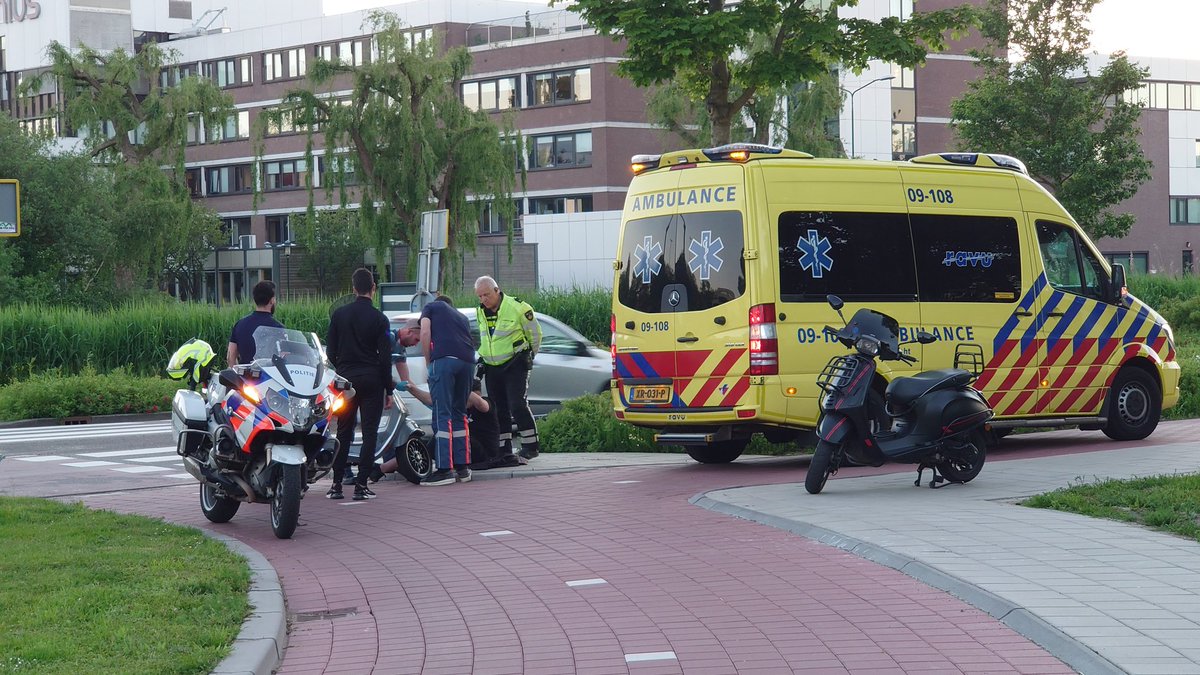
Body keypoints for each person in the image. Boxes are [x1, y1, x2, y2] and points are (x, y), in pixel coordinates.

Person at [326, 268, 394, 501]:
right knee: (369, 432)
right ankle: (361, 484)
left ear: (353, 288)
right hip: (373, 380)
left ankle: (336, 484)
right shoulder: (380, 319)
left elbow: (330, 351)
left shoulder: (339, 315)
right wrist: (389, 389)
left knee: (343, 432)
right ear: (373, 288)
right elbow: (386, 358)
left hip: (346, 382)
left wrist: (343, 367)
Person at [474, 275, 542, 460]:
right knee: (498, 409)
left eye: (486, 295)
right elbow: (487, 338)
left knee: (517, 404)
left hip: (515, 364)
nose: (483, 300)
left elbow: (535, 335)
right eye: (479, 296)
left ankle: (531, 446)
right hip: (492, 366)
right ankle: (503, 448)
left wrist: (528, 356)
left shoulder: (518, 308)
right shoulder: (480, 311)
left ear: (497, 290)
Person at [413, 294, 475, 486]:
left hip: (444, 362)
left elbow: (424, 333)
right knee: (459, 413)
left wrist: (428, 361)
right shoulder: (461, 317)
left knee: (442, 414)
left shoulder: (431, 307)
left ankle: (444, 469)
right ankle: (463, 468)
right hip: (467, 363)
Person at [227, 280, 282, 365]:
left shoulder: (240, 324)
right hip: (269, 376)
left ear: (255, 299)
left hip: (245, 377)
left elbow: (230, 357)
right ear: (272, 301)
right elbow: (284, 357)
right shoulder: (278, 328)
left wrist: (238, 373)